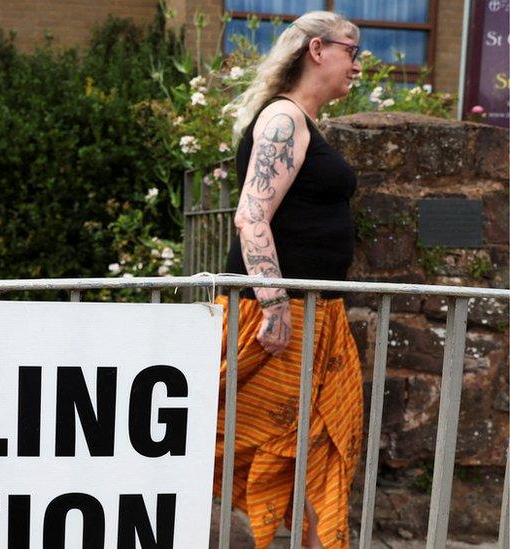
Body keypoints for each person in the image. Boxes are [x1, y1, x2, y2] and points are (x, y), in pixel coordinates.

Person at [214, 11, 364, 549]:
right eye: (353, 52)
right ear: (318, 49)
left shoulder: (300, 120)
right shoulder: (283, 119)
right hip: (281, 313)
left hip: (313, 312)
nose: (358, 67)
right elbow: (251, 216)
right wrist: (275, 305)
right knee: (239, 434)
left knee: (315, 440)